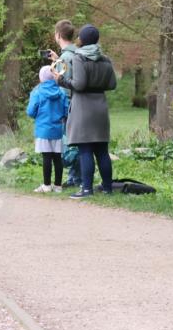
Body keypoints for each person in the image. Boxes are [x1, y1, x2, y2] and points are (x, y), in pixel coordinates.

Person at [55, 23, 117, 198]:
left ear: (82, 39)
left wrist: (61, 81)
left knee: (85, 150)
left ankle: (87, 189)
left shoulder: (79, 58)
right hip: (101, 107)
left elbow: (79, 85)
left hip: (83, 107)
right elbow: (112, 84)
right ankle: (107, 188)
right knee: (102, 150)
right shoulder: (105, 59)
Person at [47, 19, 82, 189]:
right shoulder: (76, 53)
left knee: (70, 141)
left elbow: (64, 82)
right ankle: (76, 177)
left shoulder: (66, 56)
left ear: (58, 35)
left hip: (68, 103)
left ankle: (75, 177)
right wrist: (56, 59)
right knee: (76, 139)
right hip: (79, 103)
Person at [27, 65, 69, 193]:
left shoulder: (37, 92)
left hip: (43, 129)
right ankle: (58, 186)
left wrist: (37, 116)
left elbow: (30, 111)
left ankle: (46, 185)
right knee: (57, 157)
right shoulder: (61, 92)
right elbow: (66, 110)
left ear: (41, 78)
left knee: (46, 157)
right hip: (57, 129)